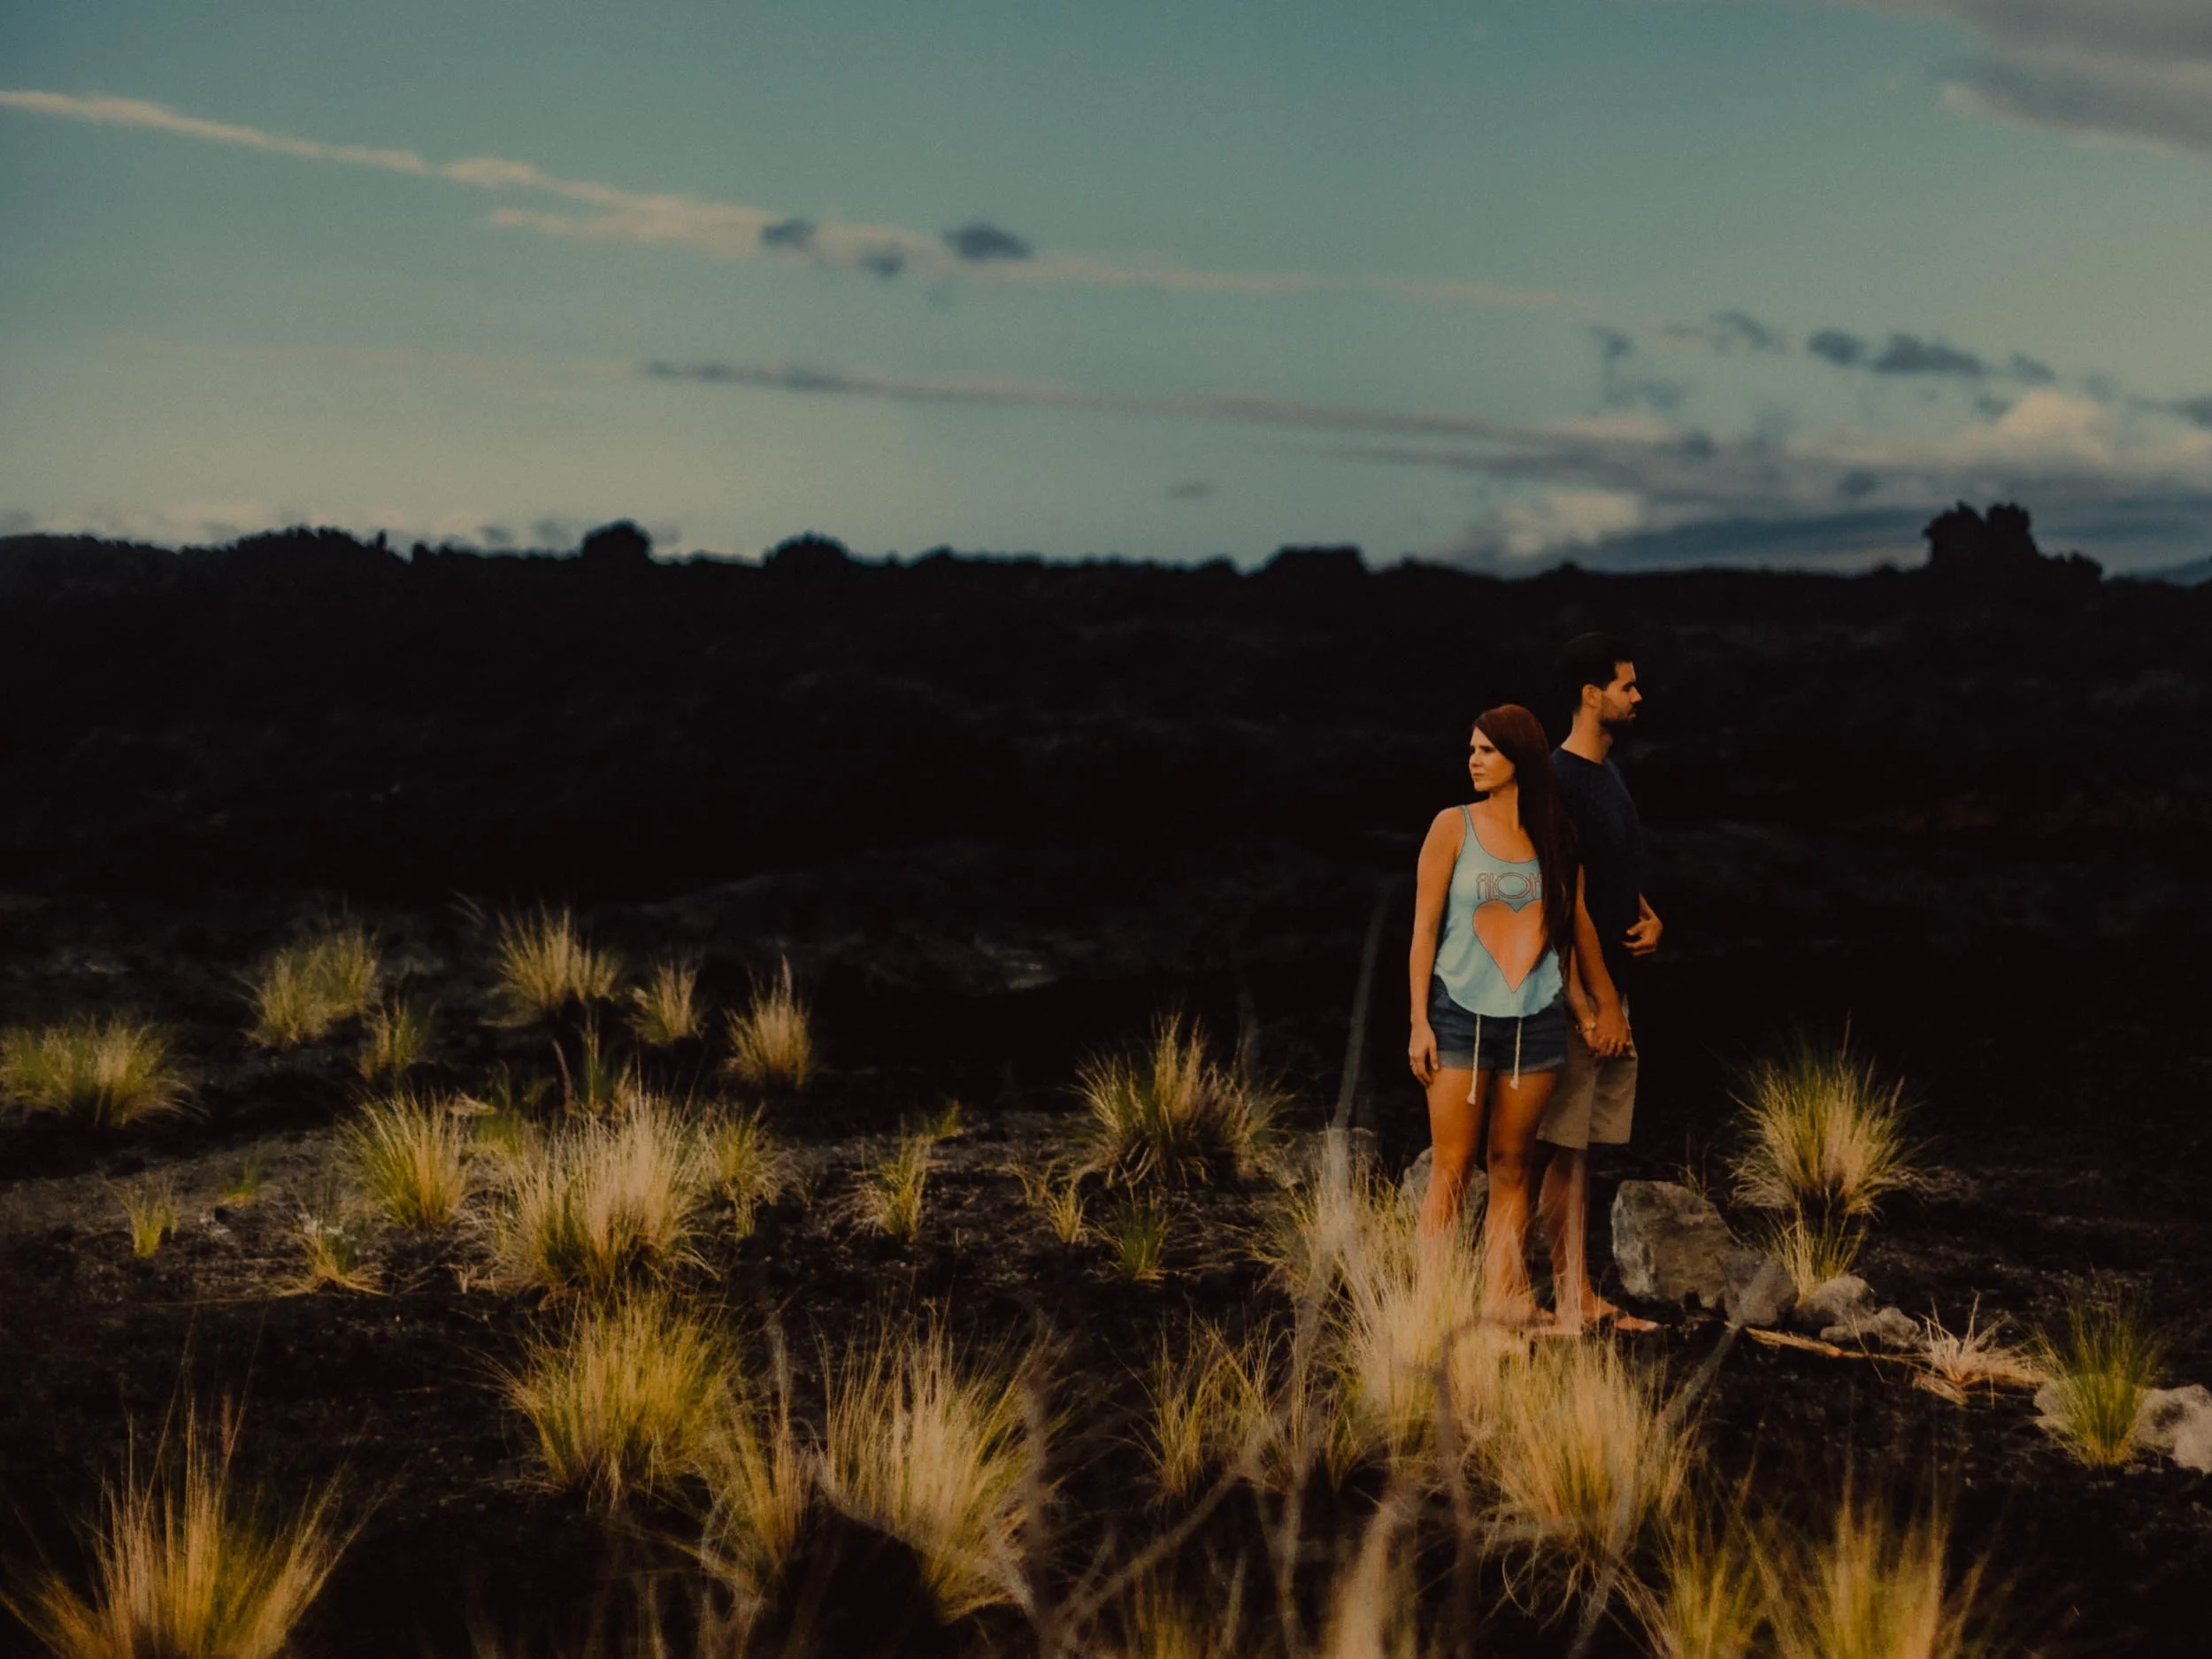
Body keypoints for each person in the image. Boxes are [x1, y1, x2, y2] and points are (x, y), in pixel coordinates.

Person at [1407, 703, 1630, 1324]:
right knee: (1451, 1166)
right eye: (1472, 749)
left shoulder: (1555, 835)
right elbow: (1424, 929)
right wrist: (1418, 1021)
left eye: (1486, 751)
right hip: (1458, 1019)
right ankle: (1430, 1309)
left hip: (1534, 1023)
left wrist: (1587, 1008)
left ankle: (1500, 1299)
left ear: (1519, 761)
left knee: (1512, 1164)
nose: (1473, 760)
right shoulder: (1451, 827)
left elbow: (1564, 930)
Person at [1536, 634, 1661, 1331]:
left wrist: (1648, 915)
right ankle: (1567, 1296)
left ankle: (1577, 1291)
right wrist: (1599, 1001)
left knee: (1582, 1150)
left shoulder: (1608, 775)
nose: (1638, 696)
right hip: (1576, 996)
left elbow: (1613, 870)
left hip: (1609, 987)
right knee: (1565, 1146)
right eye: (1627, 685)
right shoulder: (1558, 779)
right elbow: (1567, 897)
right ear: (1592, 694)